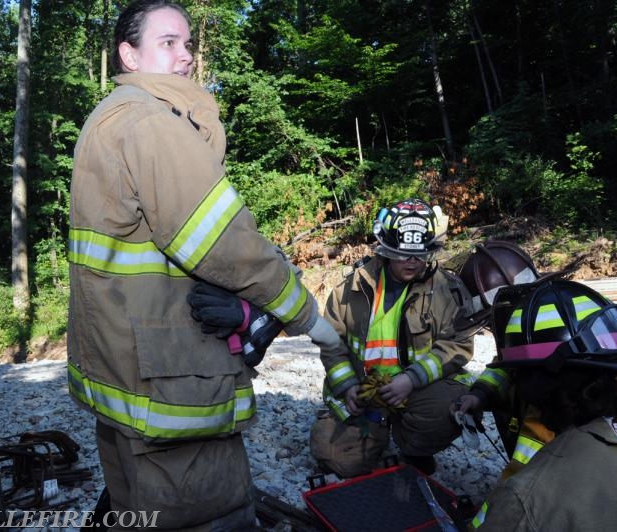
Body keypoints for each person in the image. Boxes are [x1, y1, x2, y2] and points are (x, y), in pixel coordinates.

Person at [66, 2, 341, 529]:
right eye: (168, 43)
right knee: (207, 514)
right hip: (168, 383)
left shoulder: (106, 121)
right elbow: (224, 245)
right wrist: (311, 321)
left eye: (187, 44)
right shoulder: (151, 123)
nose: (185, 56)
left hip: (124, 376)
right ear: (129, 54)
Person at [453, 246, 617, 480]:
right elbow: (509, 363)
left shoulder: (581, 349)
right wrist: (480, 393)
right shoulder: (554, 313)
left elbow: (539, 441)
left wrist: (506, 501)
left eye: (489, 322)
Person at [468, 279, 617, 530]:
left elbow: (527, 468)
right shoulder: (610, 347)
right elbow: (511, 364)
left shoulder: (530, 488)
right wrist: (480, 392)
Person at [309, 198, 477, 478]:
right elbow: (331, 344)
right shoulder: (351, 289)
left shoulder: (447, 290)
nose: (412, 262)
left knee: (449, 409)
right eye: (403, 254)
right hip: (365, 394)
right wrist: (347, 386)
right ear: (385, 250)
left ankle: (413, 449)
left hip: (417, 391)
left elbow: (458, 344)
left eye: (419, 254)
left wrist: (410, 380)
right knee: (336, 458)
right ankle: (373, 431)